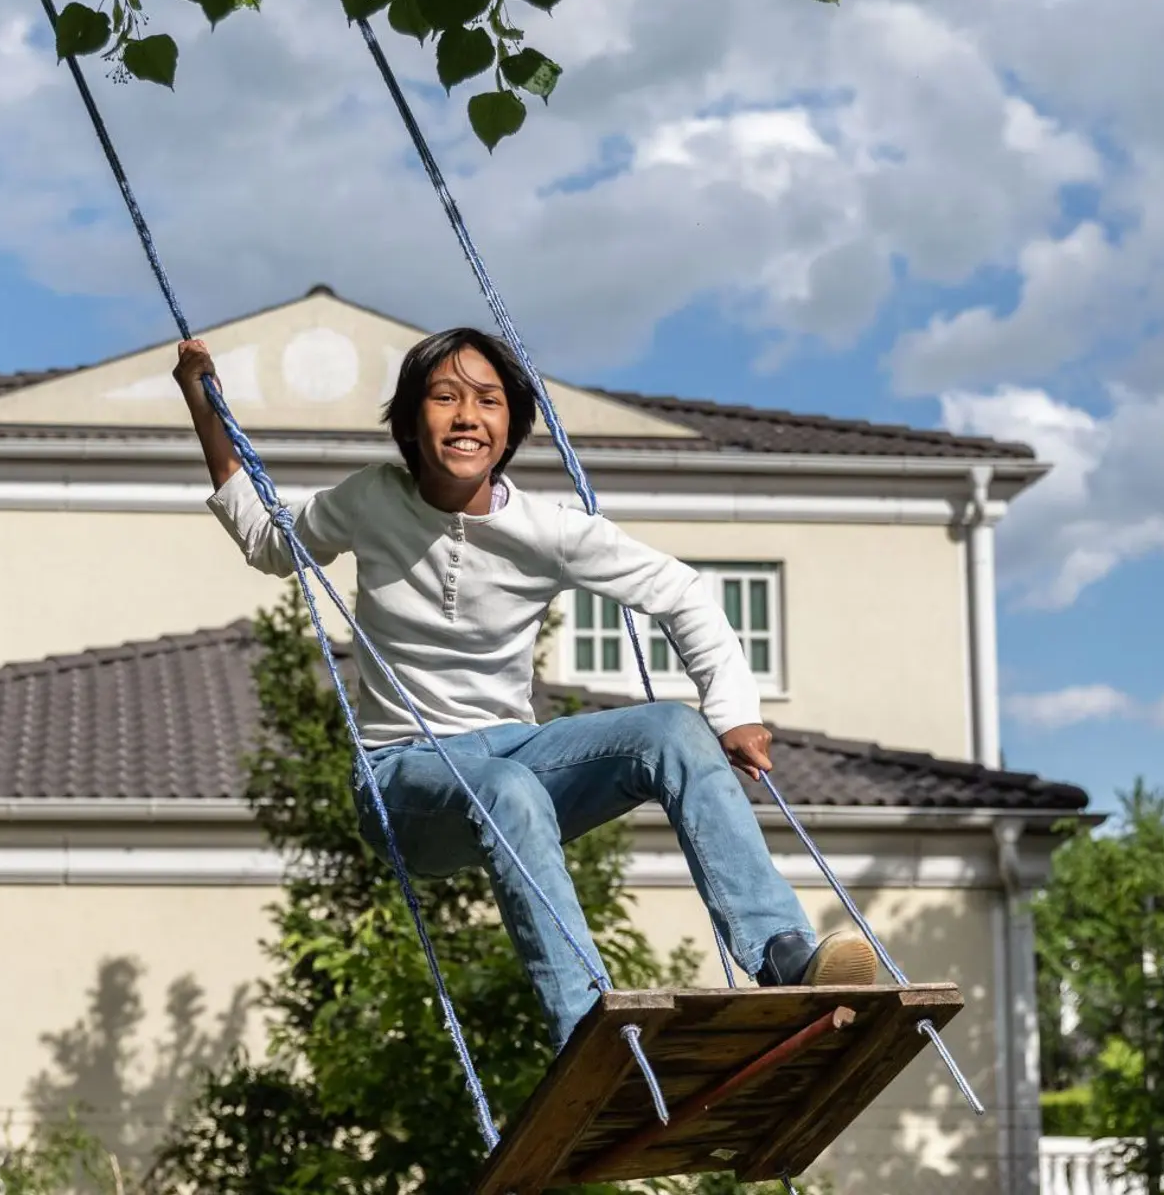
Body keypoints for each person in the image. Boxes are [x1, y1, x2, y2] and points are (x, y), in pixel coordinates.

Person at [175, 327, 878, 1048]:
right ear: (411, 422)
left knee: (671, 728)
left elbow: (684, 593)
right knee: (504, 788)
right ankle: (590, 1027)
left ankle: (781, 953)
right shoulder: (369, 499)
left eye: (487, 400)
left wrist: (732, 712)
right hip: (403, 778)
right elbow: (267, 542)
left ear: (510, 426)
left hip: (517, 755)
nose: (466, 416)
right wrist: (205, 405)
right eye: (444, 397)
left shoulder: (550, 530)